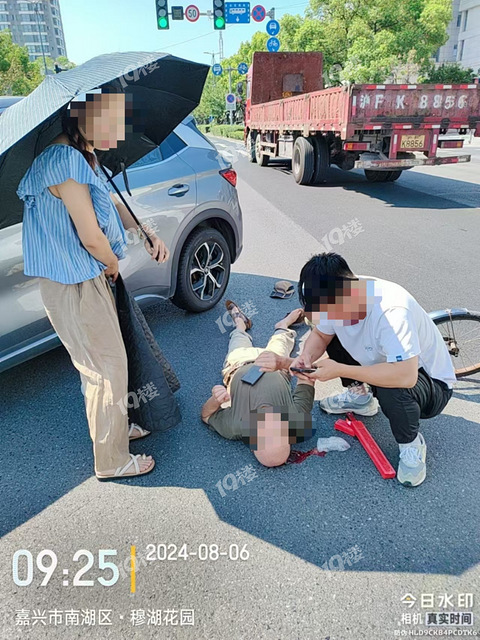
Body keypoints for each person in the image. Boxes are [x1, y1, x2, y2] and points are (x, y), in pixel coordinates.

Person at [17, 88, 170, 480]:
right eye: (111, 124)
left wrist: (146, 231)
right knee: (105, 369)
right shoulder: (63, 161)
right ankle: (111, 460)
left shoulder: (81, 156)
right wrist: (113, 262)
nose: (117, 135)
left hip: (86, 279)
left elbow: (112, 206)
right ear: (82, 117)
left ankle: (115, 430)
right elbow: (90, 237)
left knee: (109, 364)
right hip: (75, 285)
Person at [290, 253, 455, 487]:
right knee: (335, 340)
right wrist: (306, 355)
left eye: (329, 311)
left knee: (393, 387)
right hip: (384, 362)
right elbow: (321, 335)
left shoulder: (392, 312)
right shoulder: (334, 294)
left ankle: (411, 445)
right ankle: (361, 398)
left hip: (429, 381)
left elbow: (406, 376)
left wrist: (340, 369)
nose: (326, 316)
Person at [201, 302, 315, 467]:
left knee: (238, 337)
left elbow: (206, 416)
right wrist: (290, 365)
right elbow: (307, 377)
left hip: (238, 363)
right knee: (282, 339)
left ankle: (241, 323)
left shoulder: (235, 426)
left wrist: (215, 400)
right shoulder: (295, 414)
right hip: (275, 362)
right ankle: (283, 325)